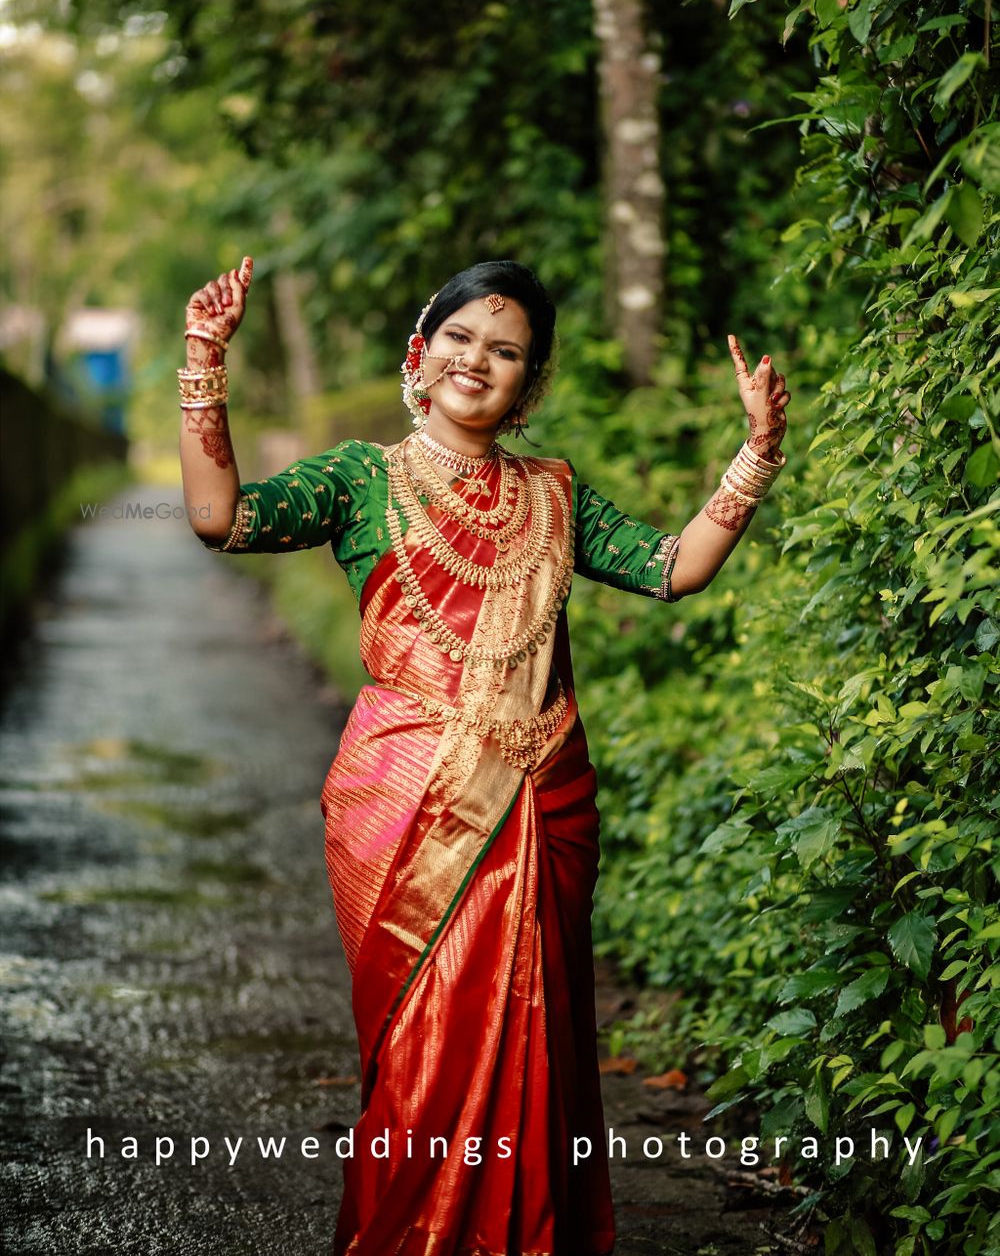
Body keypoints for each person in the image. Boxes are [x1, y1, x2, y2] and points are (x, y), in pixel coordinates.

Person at [178, 256, 790, 1256]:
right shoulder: (360, 479)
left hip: (540, 795)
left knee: (533, 1041)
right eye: (460, 338)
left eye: (505, 351)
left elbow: (672, 566)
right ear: (420, 354)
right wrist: (206, 360)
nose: (477, 360)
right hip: (403, 805)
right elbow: (221, 519)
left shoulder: (552, 494)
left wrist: (755, 452)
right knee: (422, 1051)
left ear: (529, 384)